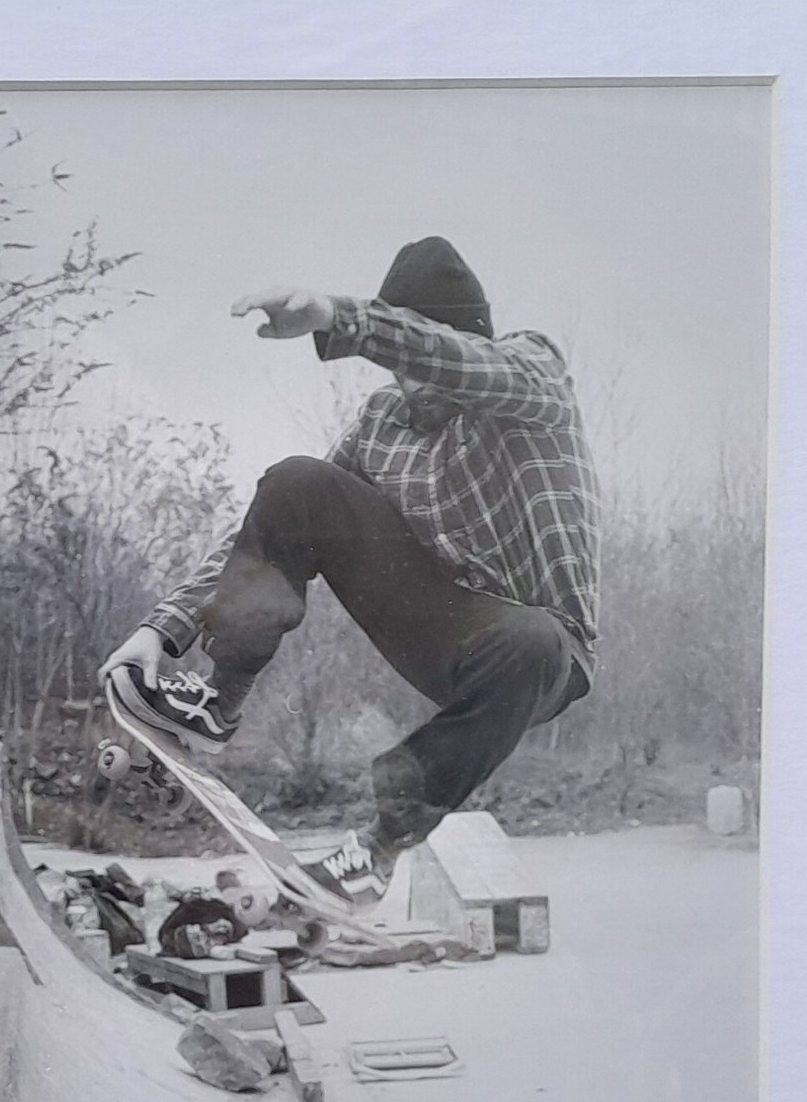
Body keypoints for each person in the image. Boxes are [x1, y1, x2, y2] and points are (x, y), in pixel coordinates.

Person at [102, 236, 598, 905]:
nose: (405, 384)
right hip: (436, 627)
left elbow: (467, 364)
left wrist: (346, 319)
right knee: (297, 483)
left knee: (529, 637)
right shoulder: (380, 424)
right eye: (398, 370)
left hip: (542, 655)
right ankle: (216, 702)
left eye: (415, 362)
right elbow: (276, 522)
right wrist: (161, 631)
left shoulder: (531, 374)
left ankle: (378, 847)